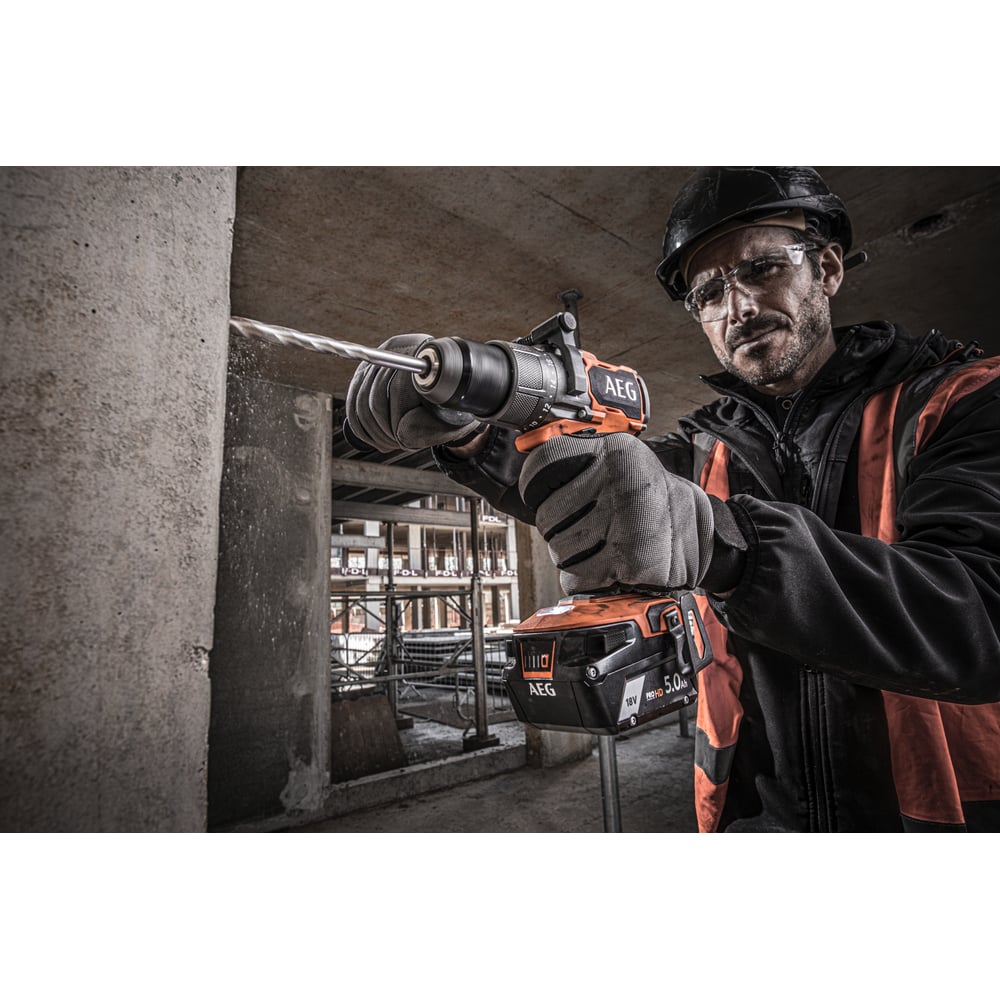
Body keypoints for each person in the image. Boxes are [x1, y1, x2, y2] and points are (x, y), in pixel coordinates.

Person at [344, 167, 1000, 832]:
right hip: (756, 816)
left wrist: (731, 547)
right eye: (709, 292)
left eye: (763, 268)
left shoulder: (962, 400)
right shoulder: (704, 448)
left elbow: (982, 610)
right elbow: (579, 483)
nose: (737, 308)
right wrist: (472, 434)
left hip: (943, 821)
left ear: (827, 268)